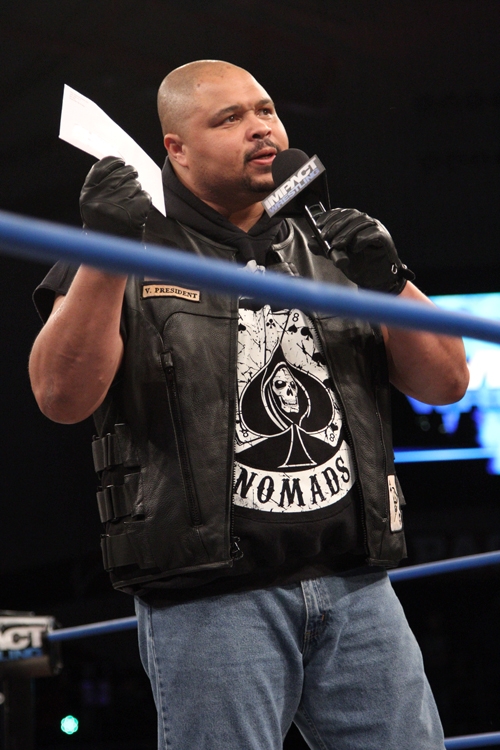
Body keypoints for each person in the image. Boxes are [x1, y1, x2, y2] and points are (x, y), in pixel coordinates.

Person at [29, 60, 469, 750]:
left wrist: (388, 281)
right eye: (230, 118)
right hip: (211, 598)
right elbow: (60, 396)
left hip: (356, 583)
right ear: (176, 148)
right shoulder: (129, 244)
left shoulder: (329, 241)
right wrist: (104, 253)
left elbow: (446, 384)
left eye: (265, 109)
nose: (261, 127)